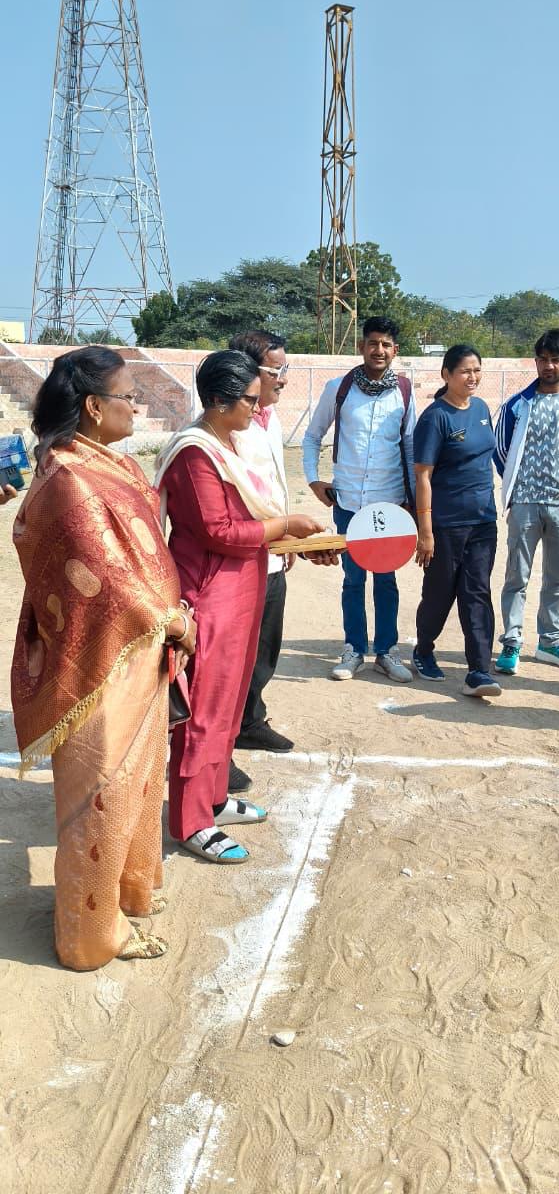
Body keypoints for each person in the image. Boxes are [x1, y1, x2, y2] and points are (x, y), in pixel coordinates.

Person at [11, 347, 196, 970]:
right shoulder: (69, 478)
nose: (137, 406)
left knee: (141, 780)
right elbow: (109, 574)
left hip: (136, 653)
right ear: (94, 407)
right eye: (128, 396)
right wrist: (171, 619)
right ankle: (89, 934)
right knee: (103, 790)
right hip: (100, 662)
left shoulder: (105, 465)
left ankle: (131, 889)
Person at [155, 350, 323, 864]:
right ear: (219, 401)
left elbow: (244, 526)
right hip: (210, 593)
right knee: (203, 708)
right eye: (250, 399)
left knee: (229, 702)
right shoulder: (194, 453)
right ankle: (190, 820)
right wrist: (287, 527)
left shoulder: (226, 444)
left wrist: (298, 544)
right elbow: (218, 532)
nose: (258, 406)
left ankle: (213, 797)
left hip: (242, 586)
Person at [302, 315, 416, 682]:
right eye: (373, 343)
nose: (378, 350)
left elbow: (411, 446)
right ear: (361, 346)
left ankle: (386, 651)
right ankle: (353, 649)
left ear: (395, 351)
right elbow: (312, 436)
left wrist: (412, 500)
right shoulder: (339, 388)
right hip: (349, 500)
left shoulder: (404, 392)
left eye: (386, 344)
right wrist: (314, 480)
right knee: (352, 579)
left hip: (388, 504)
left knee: (386, 580)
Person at [412, 344, 501, 697]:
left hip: (483, 522)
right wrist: (426, 532)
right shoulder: (435, 418)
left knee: (477, 592)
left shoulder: (481, 409)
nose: (472, 376)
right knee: (439, 593)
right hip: (446, 524)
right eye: (465, 370)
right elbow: (423, 477)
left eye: (477, 369)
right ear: (446, 374)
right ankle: (423, 649)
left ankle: (479, 671)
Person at [227, 332, 294, 787]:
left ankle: (250, 722)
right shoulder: (224, 427)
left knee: (264, 650)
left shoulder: (268, 419)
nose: (283, 380)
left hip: (272, 554)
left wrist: (287, 540)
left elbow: (274, 481)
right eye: (276, 371)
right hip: (240, 560)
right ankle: (220, 743)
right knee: (229, 660)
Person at [493, 329, 559, 673]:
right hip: (524, 502)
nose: (548, 365)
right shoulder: (517, 405)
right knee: (516, 576)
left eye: (555, 359)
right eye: (542, 359)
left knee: (556, 579)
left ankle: (550, 643)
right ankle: (511, 642)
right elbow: (500, 451)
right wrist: (515, 485)